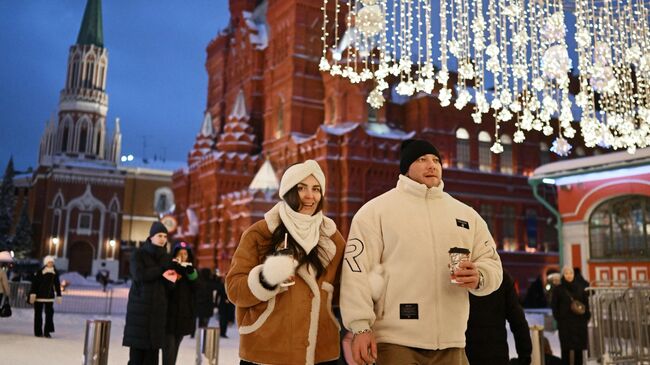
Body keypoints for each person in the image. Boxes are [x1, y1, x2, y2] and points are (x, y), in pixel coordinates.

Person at [340, 139, 503, 365]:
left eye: (436, 160)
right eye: (422, 159)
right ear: (406, 168)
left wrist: (480, 276)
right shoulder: (375, 212)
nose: (431, 165)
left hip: (452, 341)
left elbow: (491, 262)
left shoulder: (466, 215)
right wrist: (360, 327)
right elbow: (356, 273)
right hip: (395, 341)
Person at [226, 159, 346, 365]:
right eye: (301, 188)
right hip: (267, 349)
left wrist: (370, 283)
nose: (310, 196)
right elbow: (234, 289)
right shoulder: (260, 233)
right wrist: (266, 278)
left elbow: (343, 292)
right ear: (288, 191)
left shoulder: (332, 239)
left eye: (316, 189)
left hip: (320, 352)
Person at [123, 221, 178, 365]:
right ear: (151, 237)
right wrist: (161, 270)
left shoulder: (166, 258)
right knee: (136, 357)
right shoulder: (139, 254)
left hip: (158, 313)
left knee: (152, 357)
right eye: (159, 235)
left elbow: (170, 287)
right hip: (140, 312)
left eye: (165, 236)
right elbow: (139, 275)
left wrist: (172, 278)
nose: (163, 239)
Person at [466, 271, 532, 365]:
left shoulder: (458, 277)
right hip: (496, 354)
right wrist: (525, 356)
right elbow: (518, 321)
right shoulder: (501, 276)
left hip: (464, 354)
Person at [163, 241, 198, 365]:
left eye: (185, 253)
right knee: (169, 350)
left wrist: (190, 273)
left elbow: (197, 288)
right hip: (169, 317)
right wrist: (175, 269)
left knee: (175, 349)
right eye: (180, 253)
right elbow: (169, 287)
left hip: (183, 317)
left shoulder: (191, 270)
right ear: (175, 255)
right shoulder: (170, 268)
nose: (183, 256)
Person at [551, 266, 590, 365]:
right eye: (566, 273)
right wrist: (559, 319)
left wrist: (586, 317)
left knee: (578, 351)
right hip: (565, 325)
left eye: (571, 273)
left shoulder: (580, 287)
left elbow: (586, 304)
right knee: (565, 351)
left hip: (579, 324)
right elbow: (554, 306)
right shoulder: (558, 289)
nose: (569, 275)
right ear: (563, 275)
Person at [29, 255, 62, 337]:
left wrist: (59, 295)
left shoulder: (55, 273)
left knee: (49, 315)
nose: (51, 264)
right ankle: (38, 332)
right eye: (49, 262)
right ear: (46, 263)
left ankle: (47, 332)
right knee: (38, 315)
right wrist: (33, 293)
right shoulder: (40, 272)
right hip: (39, 296)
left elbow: (57, 285)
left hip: (49, 297)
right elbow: (35, 284)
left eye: (52, 262)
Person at [215, 273, 234, 338]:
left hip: (229, 304)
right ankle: (221, 332)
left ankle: (223, 333)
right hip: (222, 304)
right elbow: (218, 295)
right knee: (222, 319)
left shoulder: (230, 284)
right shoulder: (221, 285)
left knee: (226, 319)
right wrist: (216, 304)